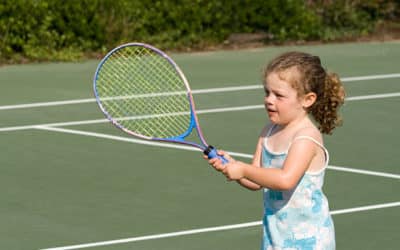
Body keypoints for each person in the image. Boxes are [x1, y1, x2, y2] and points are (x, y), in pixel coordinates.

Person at [206, 51, 345, 250]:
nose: (269, 100)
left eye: (279, 95)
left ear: (307, 99)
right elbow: (256, 181)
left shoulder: (306, 137)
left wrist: (243, 170)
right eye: (267, 92)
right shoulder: (268, 132)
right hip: (276, 235)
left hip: (310, 239)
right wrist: (231, 167)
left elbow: (284, 180)